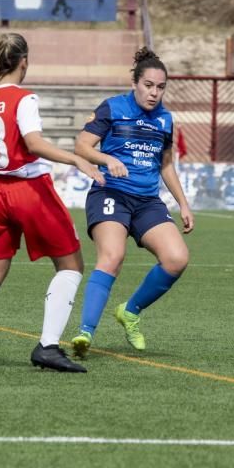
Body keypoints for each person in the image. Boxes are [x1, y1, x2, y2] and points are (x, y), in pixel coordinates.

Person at [0, 32, 105, 372]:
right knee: (70, 265)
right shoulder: (24, 99)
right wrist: (77, 160)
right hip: (29, 191)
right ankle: (48, 346)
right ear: (23, 61)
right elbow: (34, 143)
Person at [69, 47, 194, 357]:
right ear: (136, 83)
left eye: (160, 87)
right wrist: (107, 159)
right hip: (111, 193)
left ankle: (131, 311)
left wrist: (184, 204)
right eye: (148, 85)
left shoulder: (165, 119)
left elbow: (166, 165)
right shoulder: (112, 107)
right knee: (113, 256)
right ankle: (85, 332)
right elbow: (82, 146)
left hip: (147, 200)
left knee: (177, 258)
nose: (154, 93)